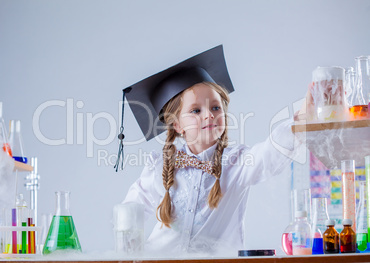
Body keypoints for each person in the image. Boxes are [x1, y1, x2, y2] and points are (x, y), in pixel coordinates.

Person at [117, 45, 305, 255]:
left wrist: (299, 122)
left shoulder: (237, 163)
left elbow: (267, 156)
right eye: (196, 110)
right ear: (177, 125)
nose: (208, 115)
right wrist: (129, 252)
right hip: (161, 260)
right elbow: (132, 209)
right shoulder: (160, 166)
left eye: (215, 107)